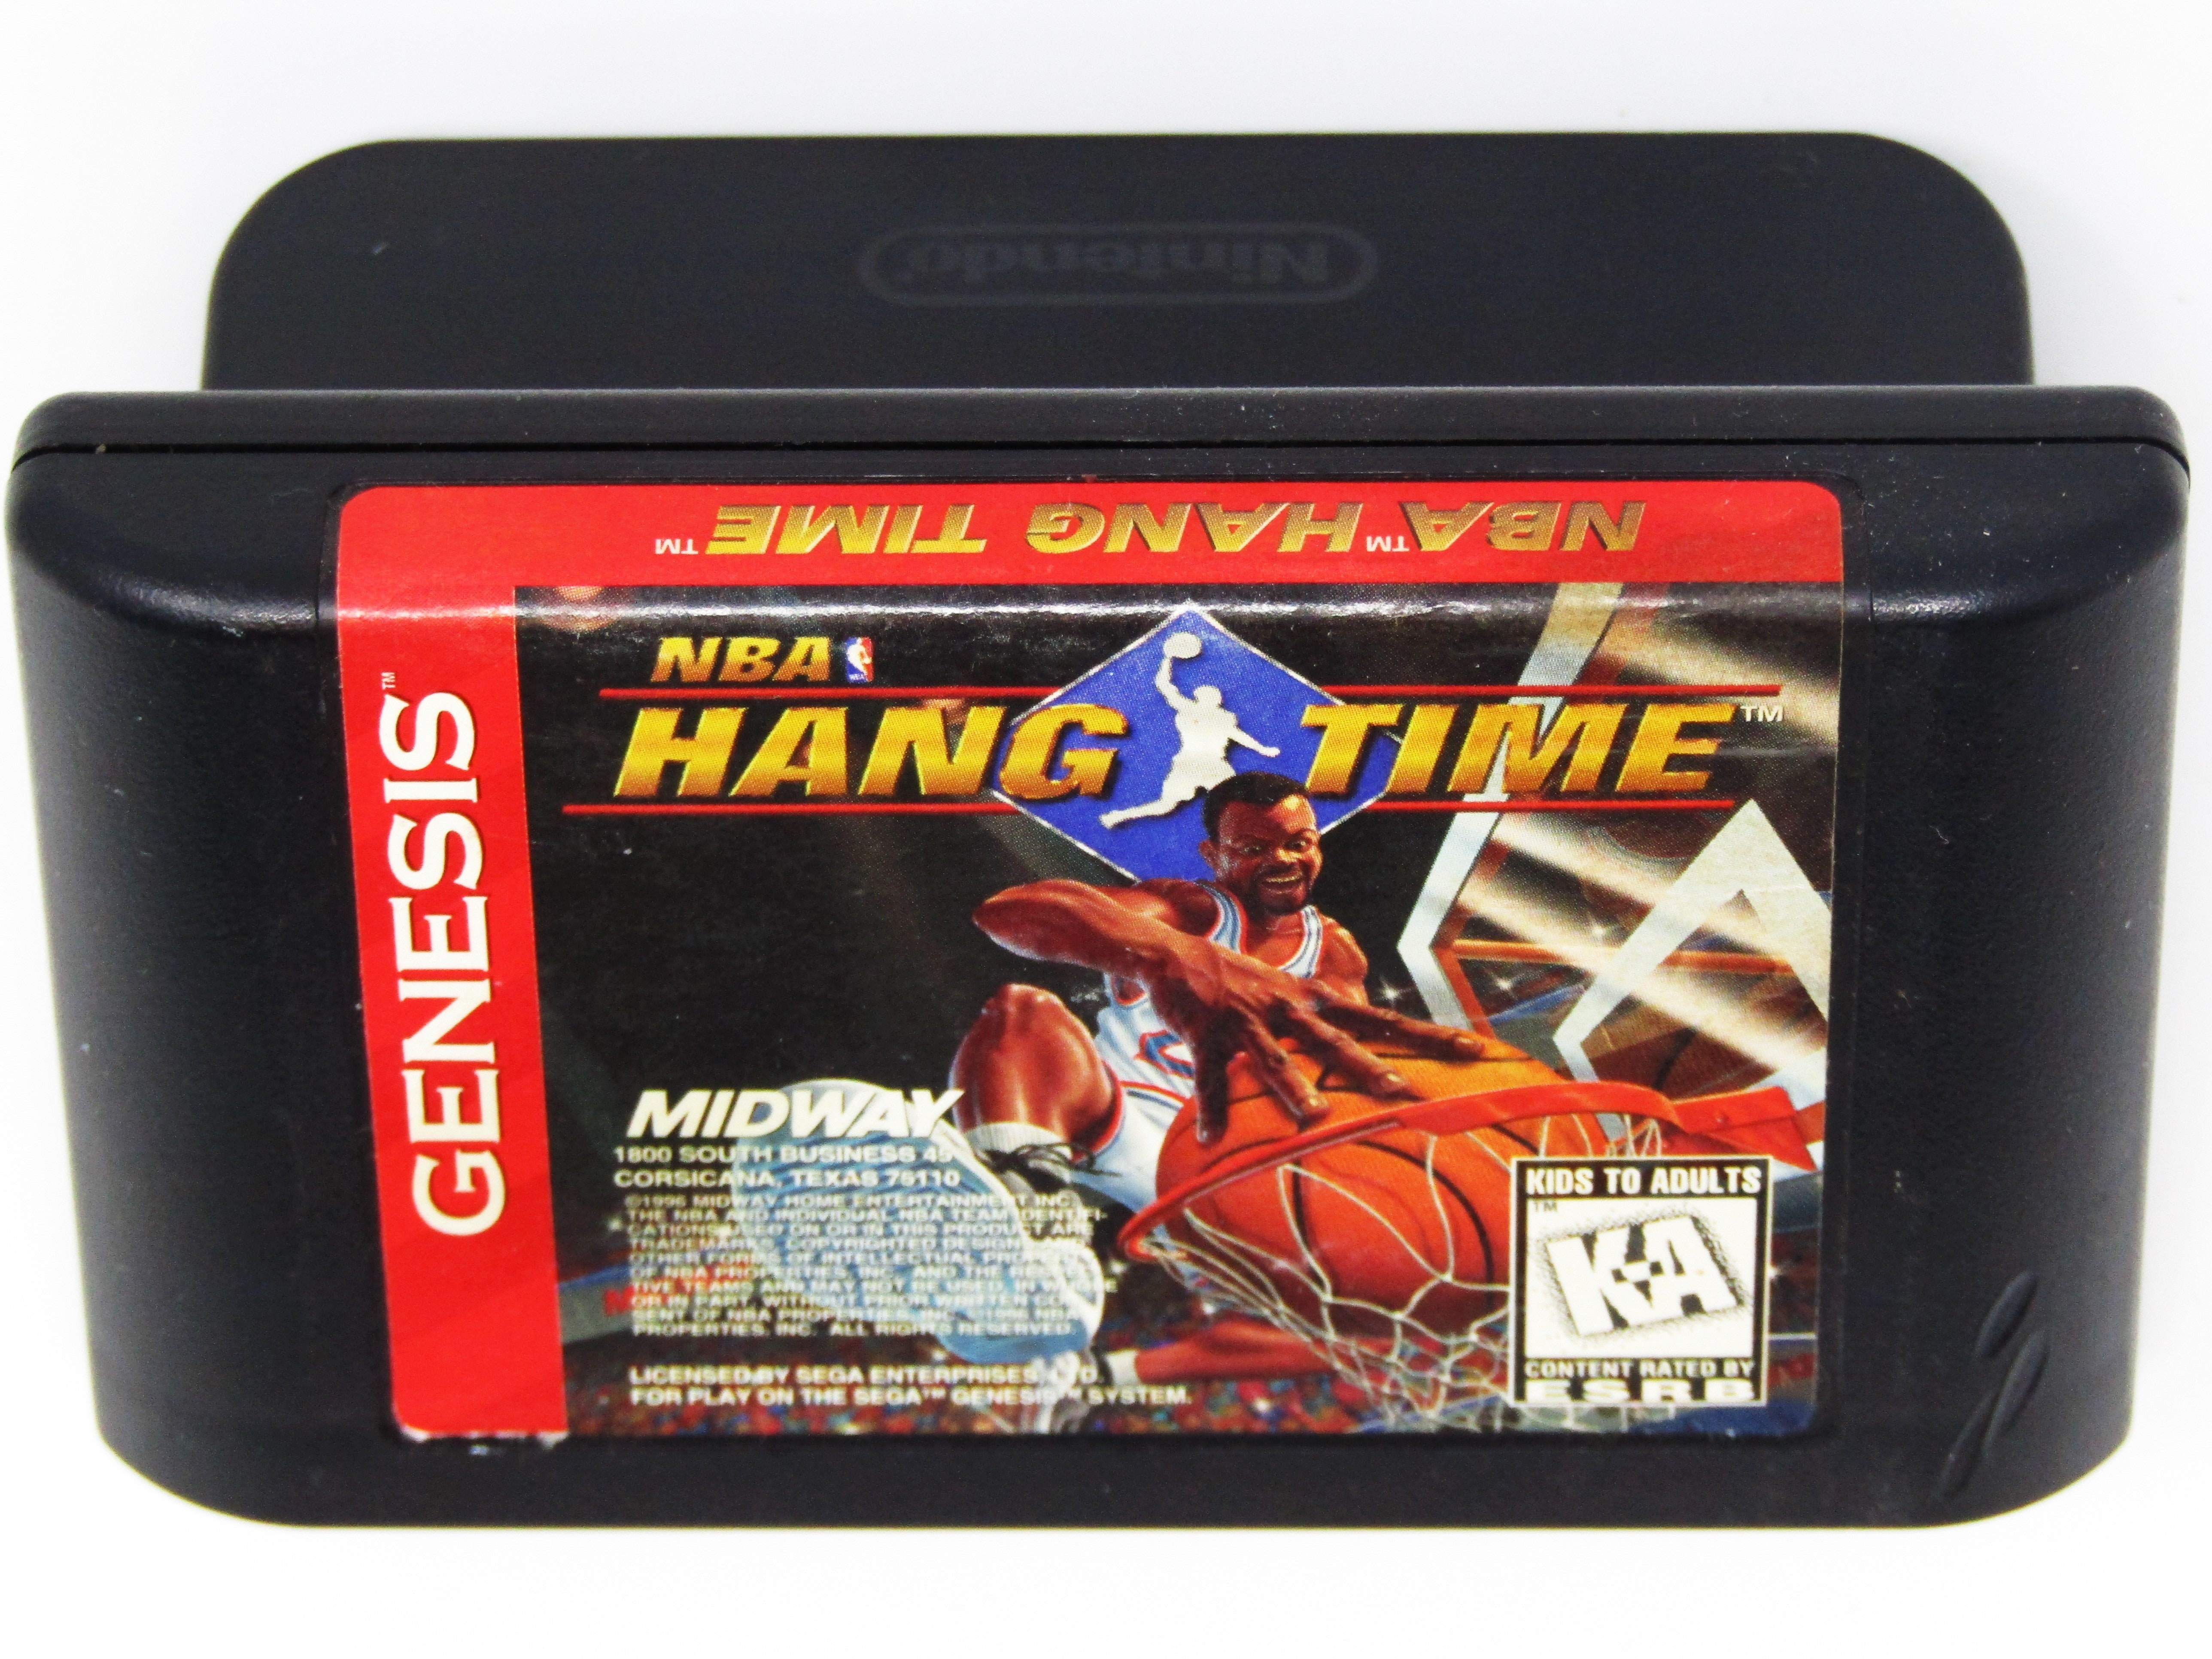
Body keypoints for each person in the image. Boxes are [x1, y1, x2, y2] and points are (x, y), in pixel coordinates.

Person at [951, 770, 1500, 1385]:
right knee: (1022, 1016)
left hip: (1218, 1167)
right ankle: (1014, 1239)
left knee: (1384, 1316)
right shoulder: (1185, 912)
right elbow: (1007, 912)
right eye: (1254, 848)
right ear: (1214, 857)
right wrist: (1178, 955)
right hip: (1113, 1120)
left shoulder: (1335, 953)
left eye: (1298, 842)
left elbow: (1349, 1084)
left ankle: (1104, 1372)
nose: (1282, 860)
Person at [1097, 638, 1280, 828]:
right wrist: (1168, 659)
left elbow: (1239, 736)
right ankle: (1119, 816)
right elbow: (1164, 685)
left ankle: (1266, 828)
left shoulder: (1225, 718)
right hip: (1189, 763)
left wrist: (1263, 749)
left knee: (1237, 801)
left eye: (1216, 695)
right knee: (1166, 805)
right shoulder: (1187, 709)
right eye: (1209, 694)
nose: (1215, 697)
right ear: (1199, 697)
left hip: (1216, 764)